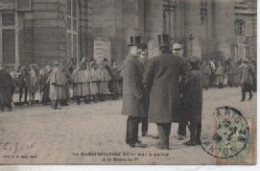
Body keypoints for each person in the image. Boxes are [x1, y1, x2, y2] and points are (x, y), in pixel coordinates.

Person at [143, 34, 185, 150]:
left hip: (157, 93)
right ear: (170, 47)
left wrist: (149, 91)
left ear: (160, 48)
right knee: (168, 116)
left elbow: (146, 79)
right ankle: (164, 142)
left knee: (160, 117)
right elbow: (187, 76)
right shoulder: (178, 60)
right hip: (173, 92)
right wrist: (180, 88)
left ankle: (163, 142)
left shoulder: (154, 60)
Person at [121, 36, 147, 148]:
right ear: (132, 48)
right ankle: (133, 141)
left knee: (133, 117)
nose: (139, 50)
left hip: (132, 94)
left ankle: (130, 139)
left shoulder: (132, 60)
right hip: (134, 95)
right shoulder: (131, 61)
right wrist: (139, 94)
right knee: (134, 118)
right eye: (138, 48)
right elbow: (132, 80)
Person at [180, 56, 203, 146]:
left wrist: (183, 97)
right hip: (199, 99)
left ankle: (193, 140)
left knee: (192, 119)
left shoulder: (191, 74)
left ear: (190, 65)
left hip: (191, 99)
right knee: (198, 118)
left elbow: (186, 87)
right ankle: (198, 139)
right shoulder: (200, 73)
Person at [171, 42, 188, 141]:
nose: (176, 52)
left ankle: (181, 132)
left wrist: (183, 90)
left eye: (178, 49)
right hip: (171, 90)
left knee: (183, 111)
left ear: (182, 50)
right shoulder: (170, 60)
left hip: (181, 90)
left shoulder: (184, 61)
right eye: (174, 49)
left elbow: (186, 77)